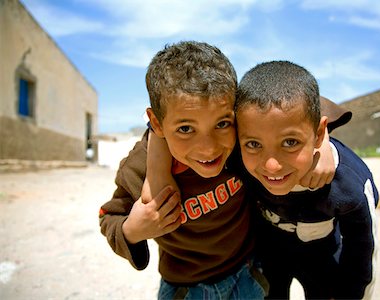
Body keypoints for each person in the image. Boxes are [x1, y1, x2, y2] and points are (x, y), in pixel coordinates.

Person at [99, 40, 351, 299]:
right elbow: (109, 217)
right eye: (186, 129)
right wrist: (132, 230)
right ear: (157, 124)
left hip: (249, 274)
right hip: (185, 288)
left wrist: (324, 147)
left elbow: (290, 103)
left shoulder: (241, 143)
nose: (208, 148)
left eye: (221, 124)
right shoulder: (138, 170)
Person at [235, 61, 379, 299]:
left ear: (320, 133)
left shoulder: (347, 184)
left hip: (322, 260)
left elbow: (362, 255)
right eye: (253, 144)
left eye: (290, 142)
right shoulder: (238, 161)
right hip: (268, 258)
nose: (272, 165)